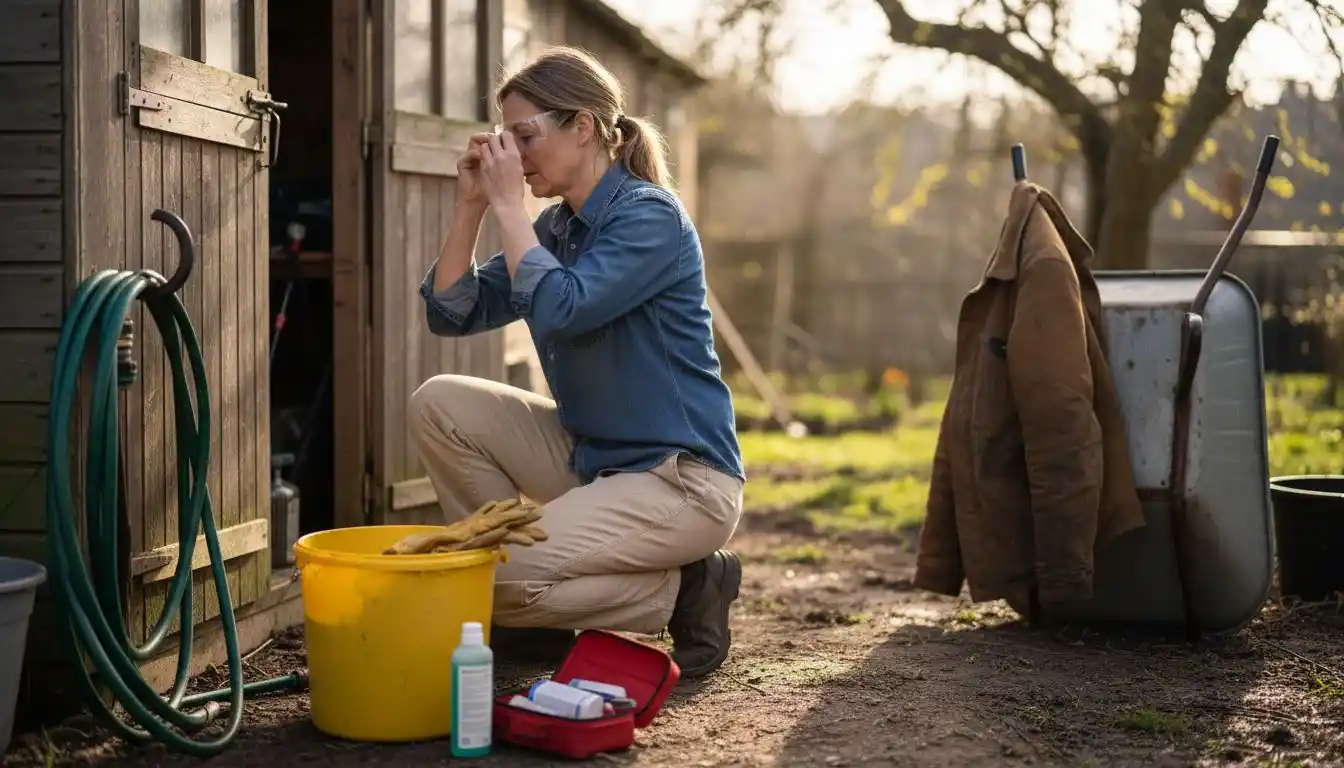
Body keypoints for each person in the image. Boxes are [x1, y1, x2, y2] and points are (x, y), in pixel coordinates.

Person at [411, 46, 746, 679]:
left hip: (679, 479)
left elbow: (564, 308)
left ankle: (688, 586)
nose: (513, 154)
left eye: (525, 136)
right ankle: (529, 611)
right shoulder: (559, 227)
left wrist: (512, 209)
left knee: (483, 584)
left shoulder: (649, 217)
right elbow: (450, 312)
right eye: (504, 139)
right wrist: (474, 205)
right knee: (439, 402)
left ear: (584, 127)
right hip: (595, 460)